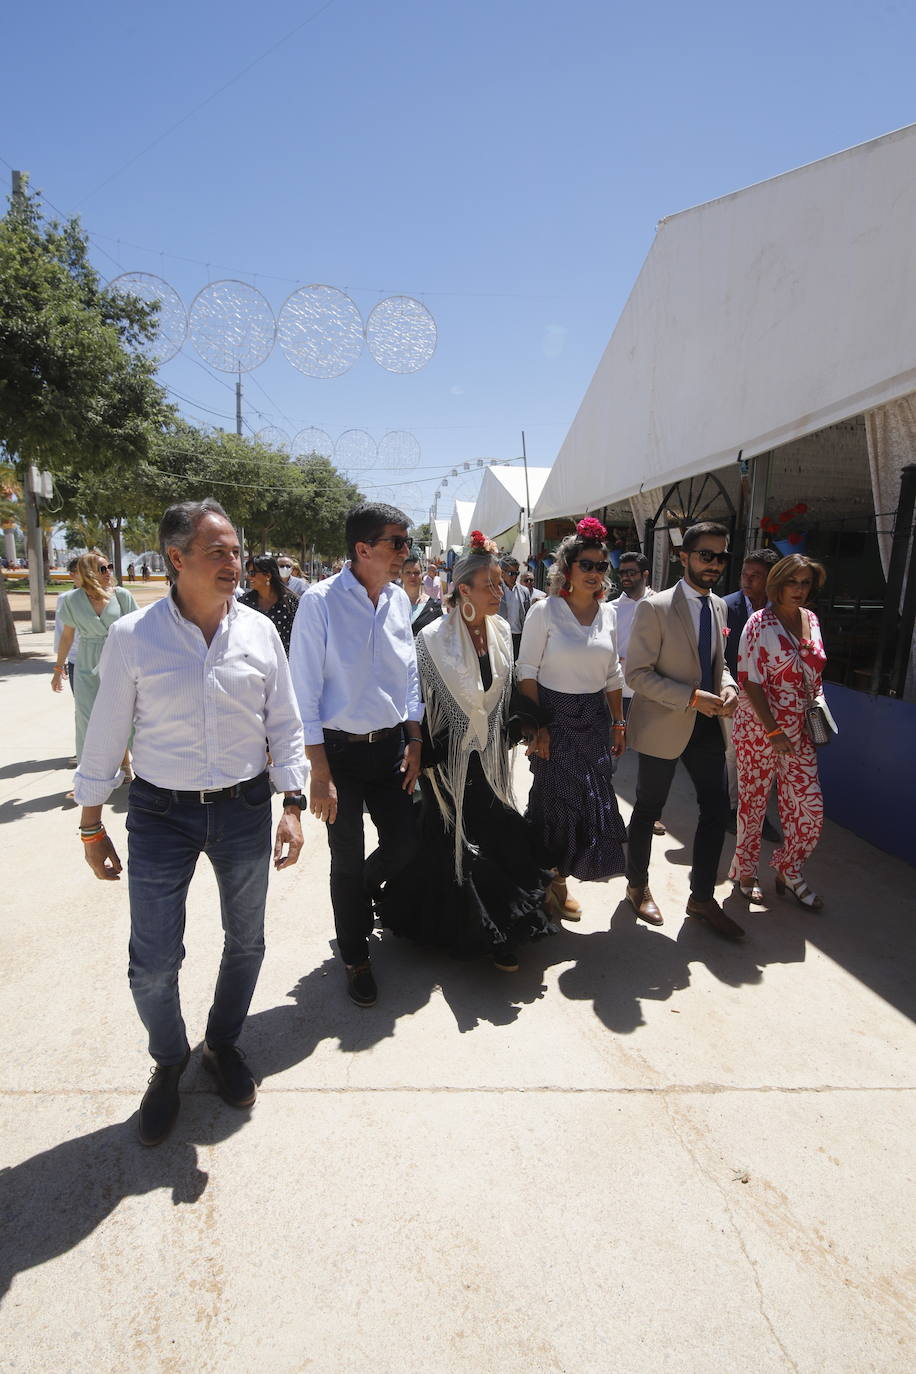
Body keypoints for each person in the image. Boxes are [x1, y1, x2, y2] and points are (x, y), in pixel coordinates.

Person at [73, 499, 306, 1146]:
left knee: (247, 942)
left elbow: (284, 724)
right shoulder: (133, 638)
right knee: (152, 961)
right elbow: (105, 736)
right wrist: (91, 825)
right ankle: (169, 1058)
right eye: (218, 551)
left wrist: (292, 804)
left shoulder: (259, 632)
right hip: (158, 815)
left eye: (236, 550)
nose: (234, 562)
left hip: (243, 809)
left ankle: (221, 1044)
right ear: (176, 559)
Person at [378, 534, 554, 970]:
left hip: (488, 758)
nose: (500, 591)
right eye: (490, 584)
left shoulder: (498, 633)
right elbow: (414, 700)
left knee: (495, 834)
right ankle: (465, 930)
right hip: (446, 762)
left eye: (501, 584)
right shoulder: (431, 639)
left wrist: (527, 723)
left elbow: (504, 691)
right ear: (462, 590)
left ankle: (501, 931)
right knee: (449, 841)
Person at [289, 502, 424, 1008]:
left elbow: (407, 677)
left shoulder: (397, 602)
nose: (406, 553)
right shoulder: (320, 603)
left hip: (390, 750)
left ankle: (360, 896)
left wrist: (414, 738)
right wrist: (318, 771)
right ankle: (355, 956)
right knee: (345, 860)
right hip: (339, 756)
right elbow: (302, 692)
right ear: (363, 549)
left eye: (406, 543)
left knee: (405, 842)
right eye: (397, 543)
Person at [625, 521, 744, 940]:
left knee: (716, 809)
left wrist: (727, 687)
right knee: (648, 810)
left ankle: (702, 898)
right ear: (684, 557)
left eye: (721, 557)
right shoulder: (654, 608)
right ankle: (636, 886)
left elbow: (720, 664)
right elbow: (636, 674)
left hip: (708, 726)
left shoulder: (720, 608)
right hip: (664, 723)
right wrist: (690, 697)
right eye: (705, 555)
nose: (714, 564)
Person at [518, 517, 628, 922]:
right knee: (554, 802)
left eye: (601, 566)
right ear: (567, 569)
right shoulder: (544, 612)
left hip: (594, 721)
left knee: (588, 803)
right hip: (554, 718)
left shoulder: (610, 615)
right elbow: (526, 671)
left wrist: (618, 722)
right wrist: (538, 726)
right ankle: (553, 881)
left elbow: (613, 673)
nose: (595, 573)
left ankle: (558, 875)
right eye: (587, 565)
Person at [729, 554, 829, 910]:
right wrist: (773, 731)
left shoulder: (811, 619)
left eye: (805, 583)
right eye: (793, 582)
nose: (799, 590)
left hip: (801, 730)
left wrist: (817, 707)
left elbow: (814, 675)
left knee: (809, 811)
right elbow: (749, 683)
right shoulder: (759, 623)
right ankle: (745, 873)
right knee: (752, 807)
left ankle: (789, 868)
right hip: (761, 729)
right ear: (778, 584)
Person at [51, 551, 138, 768]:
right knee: (86, 720)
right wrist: (58, 669)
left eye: (109, 567)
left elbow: (139, 630)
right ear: (88, 572)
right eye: (102, 568)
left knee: (130, 719)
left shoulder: (122, 596)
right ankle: (86, 777)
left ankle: (143, 772)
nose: (108, 572)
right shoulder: (72, 600)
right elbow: (67, 636)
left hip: (120, 660)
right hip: (87, 663)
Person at [723, 548, 781, 839]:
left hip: (772, 699)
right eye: (744, 574)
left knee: (767, 757)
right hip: (735, 694)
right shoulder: (726, 606)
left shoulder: (781, 610)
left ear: (771, 578)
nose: (746, 580)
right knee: (735, 755)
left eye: (755, 576)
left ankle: (757, 814)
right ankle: (733, 811)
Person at [612, 551, 666, 836]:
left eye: (631, 571)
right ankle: (606, 816)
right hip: (617, 694)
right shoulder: (610, 609)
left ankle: (648, 815)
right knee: (611, 757)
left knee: (651, 762)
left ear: (645, 574)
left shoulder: (661, 606)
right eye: (622, 572)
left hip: (649, 695)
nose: (625, 576)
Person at [239, 554, 299, 655]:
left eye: (252, 573)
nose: (249, 577)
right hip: (252, 664)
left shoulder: (292, 602)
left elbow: (298, 637)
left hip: (284, 664)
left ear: (268, 575)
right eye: (248, 573)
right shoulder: (243, 602)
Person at [53, 557, 82, 696]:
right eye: (82, 570)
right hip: (77, 662)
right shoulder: (65, 599)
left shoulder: (110, 597)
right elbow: (63, 635)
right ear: (72, 575)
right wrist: (58, 668)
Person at [497, 556, 532, 658]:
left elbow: (527, 614)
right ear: (502, 573)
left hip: (518, 636)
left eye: (516, 573)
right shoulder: (495, 590)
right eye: (511, 573)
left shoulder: (524, 591)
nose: (514, 577)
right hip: (500, 636)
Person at [401, 553, 444, 636]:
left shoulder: (434, 606)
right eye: (408, 572)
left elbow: (441, 637)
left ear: (422, 575)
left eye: (416, 573)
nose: (412, 576)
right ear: (401, 575)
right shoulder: (392, 605)